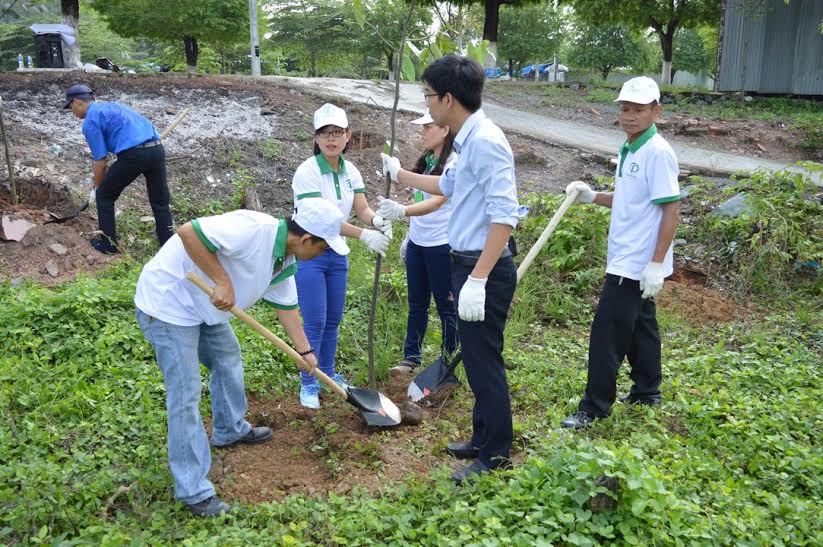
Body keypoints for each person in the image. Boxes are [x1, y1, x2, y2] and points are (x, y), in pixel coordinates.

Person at [134, 198, 348, 517]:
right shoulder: (252, 230)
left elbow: (286, 308)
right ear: (305, 239)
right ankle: (193, 490)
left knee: (227, 358)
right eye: (324, 247)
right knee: (186, 393)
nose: (324, 254)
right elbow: (188, 232)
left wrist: (305, 353)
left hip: (204, 311)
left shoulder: (284, 259)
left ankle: (229, 428)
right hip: (170, 305)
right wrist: (221, 280)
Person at [381, 55, 521, 484]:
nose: (427, 103)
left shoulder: (487, 142)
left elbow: (505, 216)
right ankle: (482, 436)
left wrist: (479, 278)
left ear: (447, 98)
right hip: (467, 263)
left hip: (484, 268)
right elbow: (449, 186)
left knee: (484, 361)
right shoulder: (465, 139)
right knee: (477, 361)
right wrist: (402, 177)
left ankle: (495, 454)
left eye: (428, 94)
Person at [560, 76, 680, 429]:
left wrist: (656, 263)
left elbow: (671, 209)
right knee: (642, 326)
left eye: (639, 109)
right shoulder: (630, 147)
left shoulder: (657, 152)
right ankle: (647, 391)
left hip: (637, 261)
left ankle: (594, 407)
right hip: (626, 255)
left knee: (607, 332)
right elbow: (631, 199)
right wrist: (592, 196)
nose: (629, 115)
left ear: (656, 111)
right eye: (625, 108)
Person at [291, 103, 392, 409]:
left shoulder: (351, 171)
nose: (331, 139)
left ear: (348, 135)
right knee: (315, 321)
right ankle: (309, 382)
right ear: (316, 138)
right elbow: (326, 219)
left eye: (337, 132)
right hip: (310, 251)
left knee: (333, 320)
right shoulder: (307, 172)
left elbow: (360, 207)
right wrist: (364, 235)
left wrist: (376, 220)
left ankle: (330, 373)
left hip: (337, 254)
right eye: (324, 133)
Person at [377, 110, 458, 375]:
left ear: (445, 129)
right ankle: (411, 358)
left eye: (428, 127)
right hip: (418, 243)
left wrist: (403, 211)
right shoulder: (427, 159)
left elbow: (437, 201)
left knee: (446, 304)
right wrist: (410, 235)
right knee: (417, 303)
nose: (423, 132)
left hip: (441, 244)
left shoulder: (454, 162)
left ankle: (448, 361)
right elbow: (420, 197)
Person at [64, 84, 173, 254]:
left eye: (70, 107)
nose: (72, 112)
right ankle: (169, 248)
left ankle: (109, 245)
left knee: (104, 197)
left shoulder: (90, 121)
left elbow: (100, 161)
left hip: (135, 155)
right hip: (157, 149)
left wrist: (96, 188)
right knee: (160, 202)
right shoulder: (113, 105)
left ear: (77, 102)